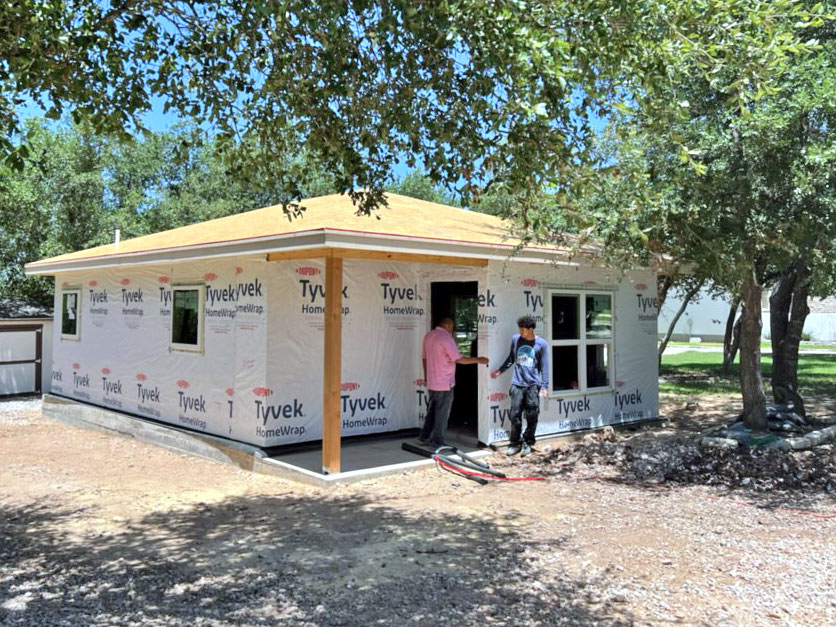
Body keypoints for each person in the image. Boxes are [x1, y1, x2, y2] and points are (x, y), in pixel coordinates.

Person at [420, 316, 489, 447]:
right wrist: (479, 359)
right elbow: (458, 359)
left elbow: (424, 359)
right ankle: (437, 440)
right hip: (445, 382)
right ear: (450, 326)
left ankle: (424, 436)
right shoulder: (446, 337)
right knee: (442, 413)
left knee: (432, 410)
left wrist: (426, 377)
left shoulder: (428, 336)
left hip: (432, 381)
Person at [491, 314, 550, 457]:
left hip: (532, 385)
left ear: (531, 329)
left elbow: (545, 366)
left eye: (523, 330)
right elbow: (512, 358)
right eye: (520, 329)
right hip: (517, 384)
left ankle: (527, 442)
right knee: (515, 415)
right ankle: (515, 442)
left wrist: (545, 386)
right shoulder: (516, 339)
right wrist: (501, 370)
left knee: (532, 414)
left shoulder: (542, 344)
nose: (521, 332)